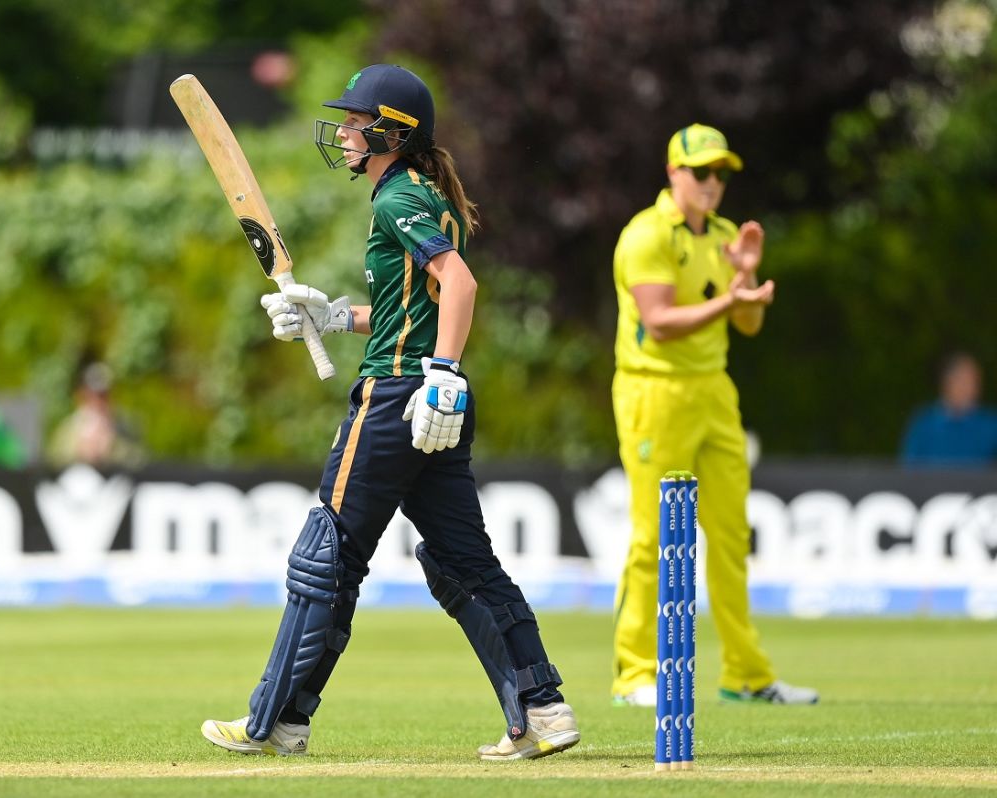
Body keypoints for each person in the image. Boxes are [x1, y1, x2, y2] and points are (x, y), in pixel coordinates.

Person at [200, 64, 579, 760]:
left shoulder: (393, 198)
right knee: (464, 561)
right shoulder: (423, 194)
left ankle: (273, 721)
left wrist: (442, 372)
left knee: (327, 555)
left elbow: (458, 285)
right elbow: (414, 308)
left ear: (389, 132)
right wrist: (334, 314)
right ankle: (542, 708)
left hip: (399, 396)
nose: (343, 131)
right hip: (429, 398)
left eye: (354, 120)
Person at [610, 124, 818, 706]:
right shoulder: (647, 234)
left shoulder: (727, 236)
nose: (712, 184)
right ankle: (634, 673)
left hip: (713, 392)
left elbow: (747, 325)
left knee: (730, 536)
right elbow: (659, 322)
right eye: (701, 172)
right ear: (673, 173)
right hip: (655, 391)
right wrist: (731, 297)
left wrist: (746, 278)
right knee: (652, 536)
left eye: (720, 173)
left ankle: (746, 674)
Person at [900, 353, 997, 467]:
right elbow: (908, 468)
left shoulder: (990, 423)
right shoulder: (924, 422)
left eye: (976, 381)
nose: (972, 388)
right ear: (947, 382)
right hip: (932, 484)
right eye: (965, 380)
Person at [48, 362, 144, 469]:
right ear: (81, 395)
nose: (99, 402)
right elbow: (54, 464)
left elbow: (140, 463)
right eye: (93, 395)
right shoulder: (67, 429)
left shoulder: (127, 426)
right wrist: (82, 448)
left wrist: (111, 446)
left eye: (104, 395)